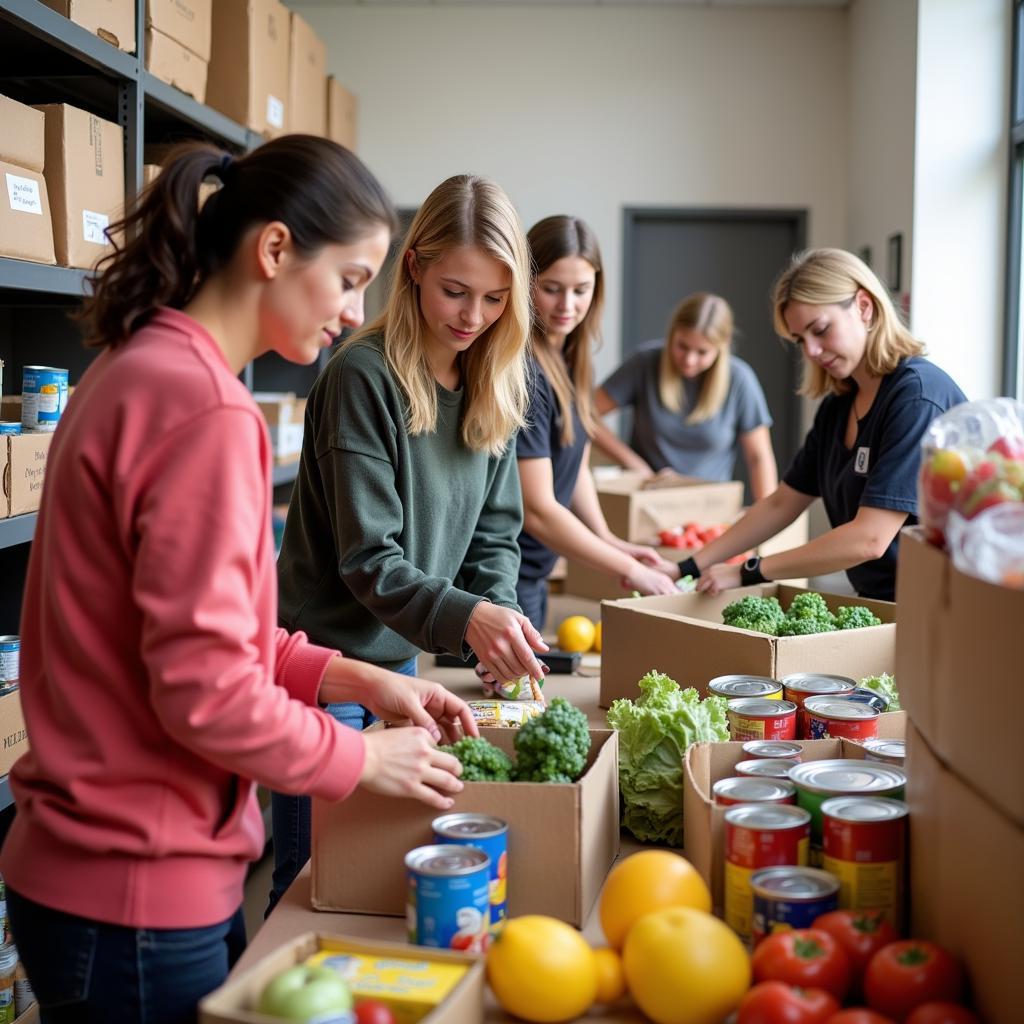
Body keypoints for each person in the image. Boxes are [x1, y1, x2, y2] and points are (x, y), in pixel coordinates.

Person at [0, 137, 479, 1024]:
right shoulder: (207, 409)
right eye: (349, 277)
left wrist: (349, 676)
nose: (355, 309)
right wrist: (359, 757)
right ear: (273, 251)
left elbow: (194, 633)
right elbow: (208, 693)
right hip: (135, 888)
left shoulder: (135, 368)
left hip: (83, 878)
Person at [272, 174, 548, 906]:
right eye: (457, 290)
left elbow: (496, 536)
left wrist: (494, 628)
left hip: (402, 675)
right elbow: (370, 558)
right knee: (312, 887)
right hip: (323, 680)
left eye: (495, 300)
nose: (474, 316)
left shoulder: (493, 382)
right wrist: (468, 621)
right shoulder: (361, 377)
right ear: (416, 264)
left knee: (379, 887)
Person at [676, 248, 966, 602]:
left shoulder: (917, 397)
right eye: (800, 339)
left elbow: (869, 539)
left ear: (864, 306)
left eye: (821, 330)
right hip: (882, 601)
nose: (811, 351)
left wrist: (749, 570)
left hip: (943, 606)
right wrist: (686, 567)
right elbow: (782, 503)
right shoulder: (838, 406)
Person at [514, 215, 678, 632]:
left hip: (532, 569)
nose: (567, 305)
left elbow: (573, 464)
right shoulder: (525, 371)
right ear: (525, 283)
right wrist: (626, 567)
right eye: (551, 289)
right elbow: (538, 510)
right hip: (504, 576)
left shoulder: (569, 358)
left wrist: (608, 538)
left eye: (580, 290)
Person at [592, 292, 779, 499]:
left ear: (720, 348)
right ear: (672, 334)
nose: (689, 360)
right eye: (682, 346)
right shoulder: (644, 363)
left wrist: (766, 516)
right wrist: (633, 463)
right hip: (647, 497)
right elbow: (586, 413)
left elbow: (758, 458)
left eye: (702, 352)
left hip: (710, 505)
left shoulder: (740, 380)